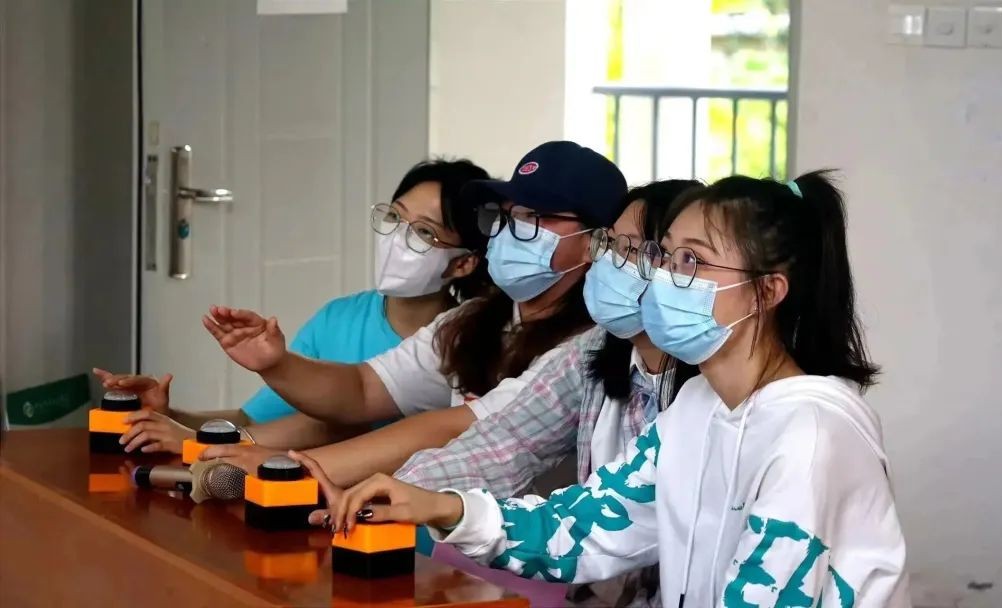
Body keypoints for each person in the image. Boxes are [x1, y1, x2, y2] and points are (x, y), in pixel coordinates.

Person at [301, 171, 911, 607]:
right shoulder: (699, 406)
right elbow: (582, 527)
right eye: (664, 257)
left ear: (767, 292)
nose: (661, 277)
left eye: (692, 262)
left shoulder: (810, 434)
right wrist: (440, 507)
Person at [295, 179, 699, 607]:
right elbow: (502, 442)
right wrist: (396, 494)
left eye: (632, 251)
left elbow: (589, 522)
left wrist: (436, 505)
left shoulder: (707, 397)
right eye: (610, 244)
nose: (611, 262)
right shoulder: (593, 350)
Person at [196, 141, 629, 478]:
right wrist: (276, 364)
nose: (514, 229)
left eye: (538, 216)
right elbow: (364, 389)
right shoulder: (473, 320)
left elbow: (456, 428)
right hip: (458, 544)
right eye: (510, 213)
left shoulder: (590, 344)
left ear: (597, 241)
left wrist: (297, 470)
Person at [93, 158, 493, 454]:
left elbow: (339, 426)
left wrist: (197, 443)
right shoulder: (339, 319)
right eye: (394, 217)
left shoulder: (467, 344)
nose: (397, 239)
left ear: (463, 263)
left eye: (423, 232)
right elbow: (254, 421)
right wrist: (171, 417)